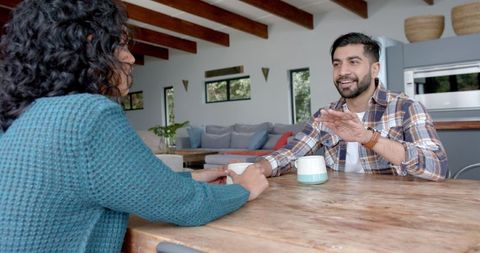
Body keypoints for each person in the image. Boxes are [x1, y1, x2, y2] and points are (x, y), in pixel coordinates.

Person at [0, 1, 268, 252]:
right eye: (122, 45)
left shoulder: (26, 116)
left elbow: (113, 186)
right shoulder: (87, 115)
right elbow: (187, 206)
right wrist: (243, 189)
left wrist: (188, 178)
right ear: (92, 46)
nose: (131, 59)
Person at [251, 32, 448, 181]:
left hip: (395, 212)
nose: (342, 71)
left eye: (353, 62)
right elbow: (291, 153)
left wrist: (368, 138)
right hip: (338, 210)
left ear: (374, 69)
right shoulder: (326, 115)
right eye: (337, 64)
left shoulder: (407, 108)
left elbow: (438, 168)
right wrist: (256, 169)